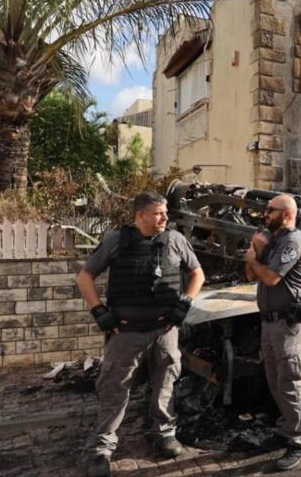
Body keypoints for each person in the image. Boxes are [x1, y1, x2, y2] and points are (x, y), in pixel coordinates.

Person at [77, 192, 205, 477]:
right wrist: (99, 312)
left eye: (165, 213)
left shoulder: (175, 240)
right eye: (159, 213)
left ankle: (164, 434)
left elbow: (197, 273)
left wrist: (184, 303)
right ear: (140, 216)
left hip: (164, 330)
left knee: (166, 384)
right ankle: (101, 449)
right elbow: (85, 276)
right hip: (125, 332)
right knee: (114, 389)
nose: (165, 218)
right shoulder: (116, 240)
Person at [244, 194, 301, 471]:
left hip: (288, 324)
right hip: (270, 323)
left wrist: (253, 258)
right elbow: (252, 275)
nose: (265, 215)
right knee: (275, 381)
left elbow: (271, 277)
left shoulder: (292, 241)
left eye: (270, 211)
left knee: (291, 381)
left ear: (286, 214)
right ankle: (287, 429)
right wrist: (257, 254)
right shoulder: (273, 241)